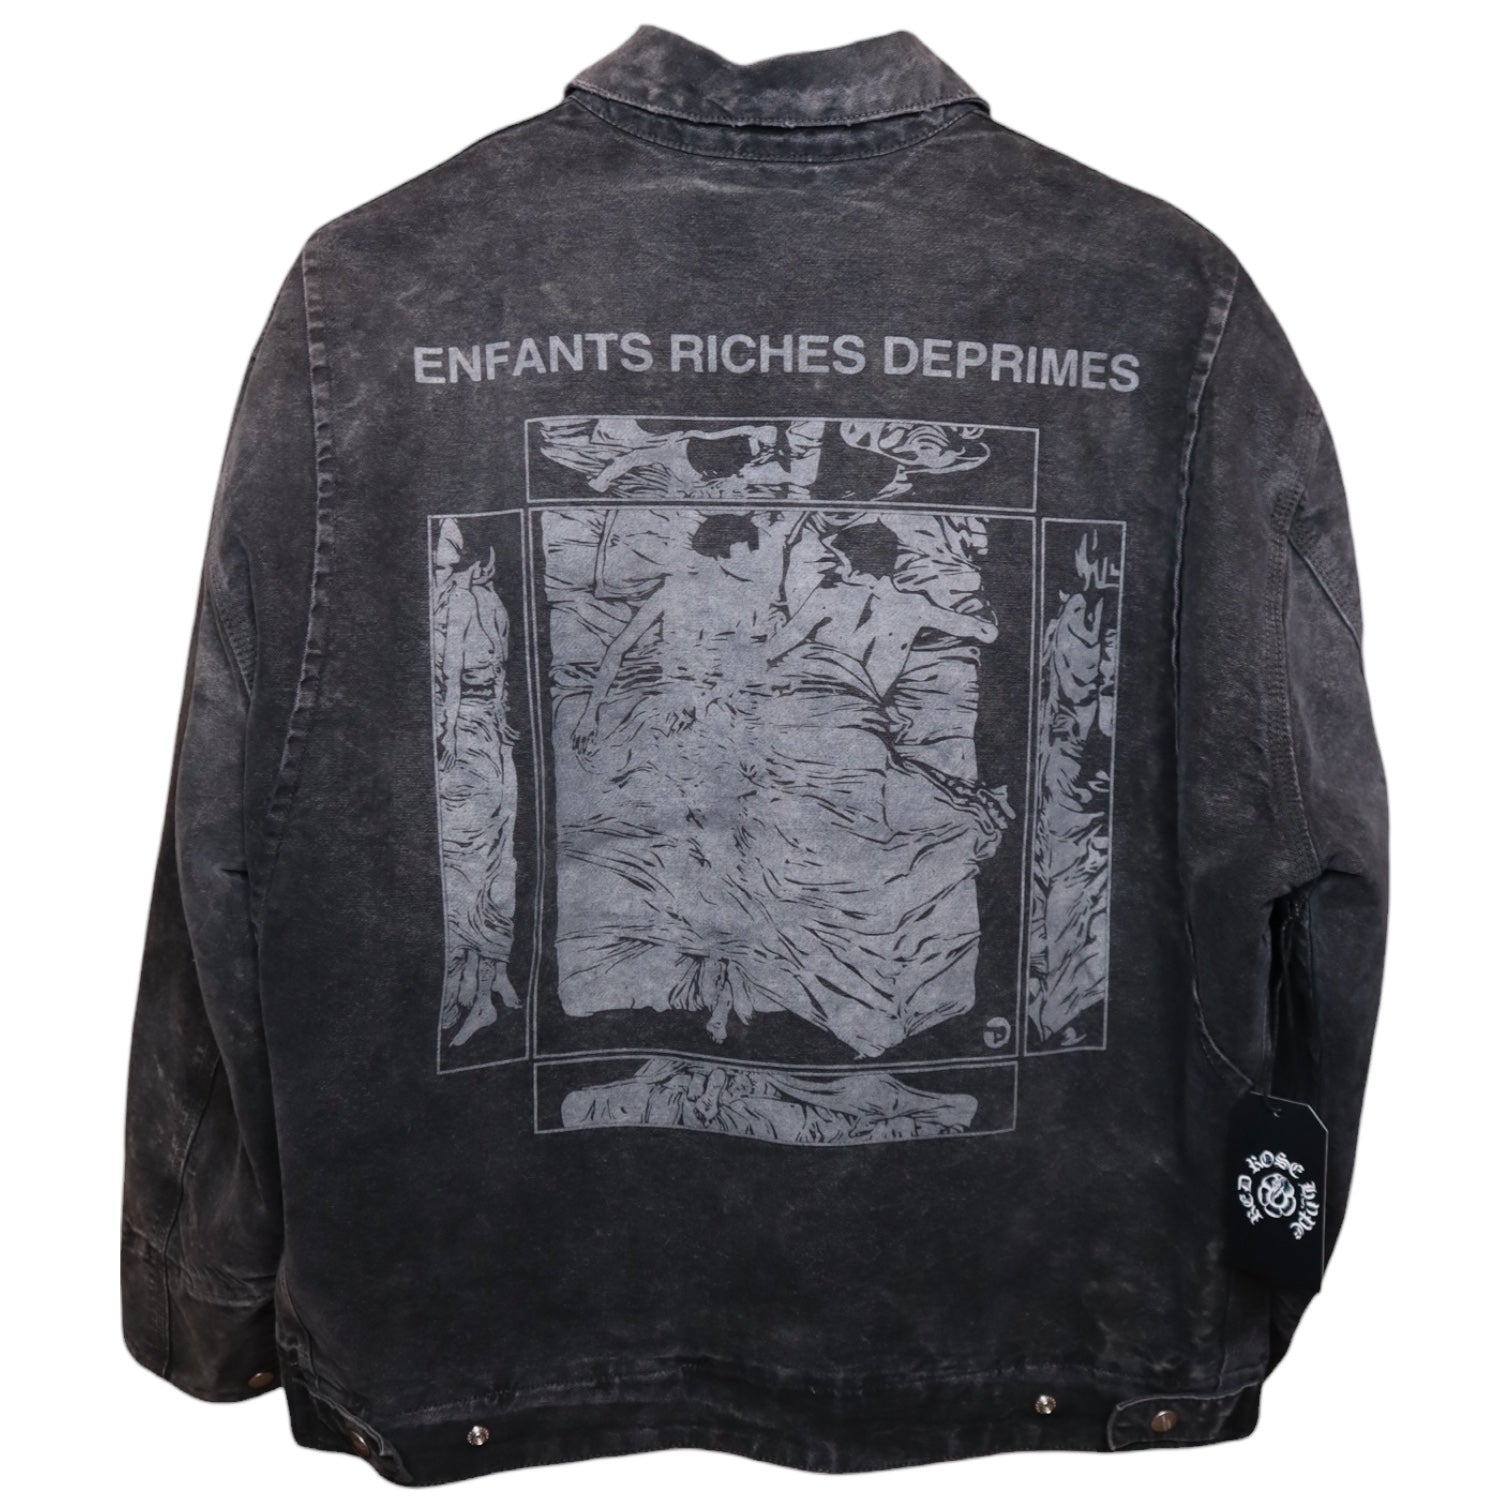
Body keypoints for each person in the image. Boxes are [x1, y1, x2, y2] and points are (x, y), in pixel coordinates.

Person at [432, 518, 521, 1047]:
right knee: (487, 858)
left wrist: (446, 731)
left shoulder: (465, 601)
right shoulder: (484, 601)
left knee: (469, 858)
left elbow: (452, 676)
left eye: (449, 542)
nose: (439, 549)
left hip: (467, 735)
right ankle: (476, 979)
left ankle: (477, 989)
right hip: (488, 732)